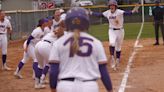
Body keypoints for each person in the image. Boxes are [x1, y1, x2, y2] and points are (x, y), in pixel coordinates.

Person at [49, 7, 113, 92]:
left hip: (65, 86)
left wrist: (53, 89)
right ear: (86, 23)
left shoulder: (58, 43)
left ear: (67, 23)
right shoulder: (96, 42)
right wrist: (110, 90)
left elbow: (53, 71)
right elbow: (103, 71)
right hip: (89, 87)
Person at [90, 0, 139, 70]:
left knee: (118, 47)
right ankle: (112, 57)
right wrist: (91, 12)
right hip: (112, 30)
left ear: (115, 6)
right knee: (112, 43)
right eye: (110, 5)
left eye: (113, 5)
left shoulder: (119, 12)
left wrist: (134, 10)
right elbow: (99, 15)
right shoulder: (107, 12)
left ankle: (117, 60)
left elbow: (128, 13)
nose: (111, 6)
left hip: (120, 31)